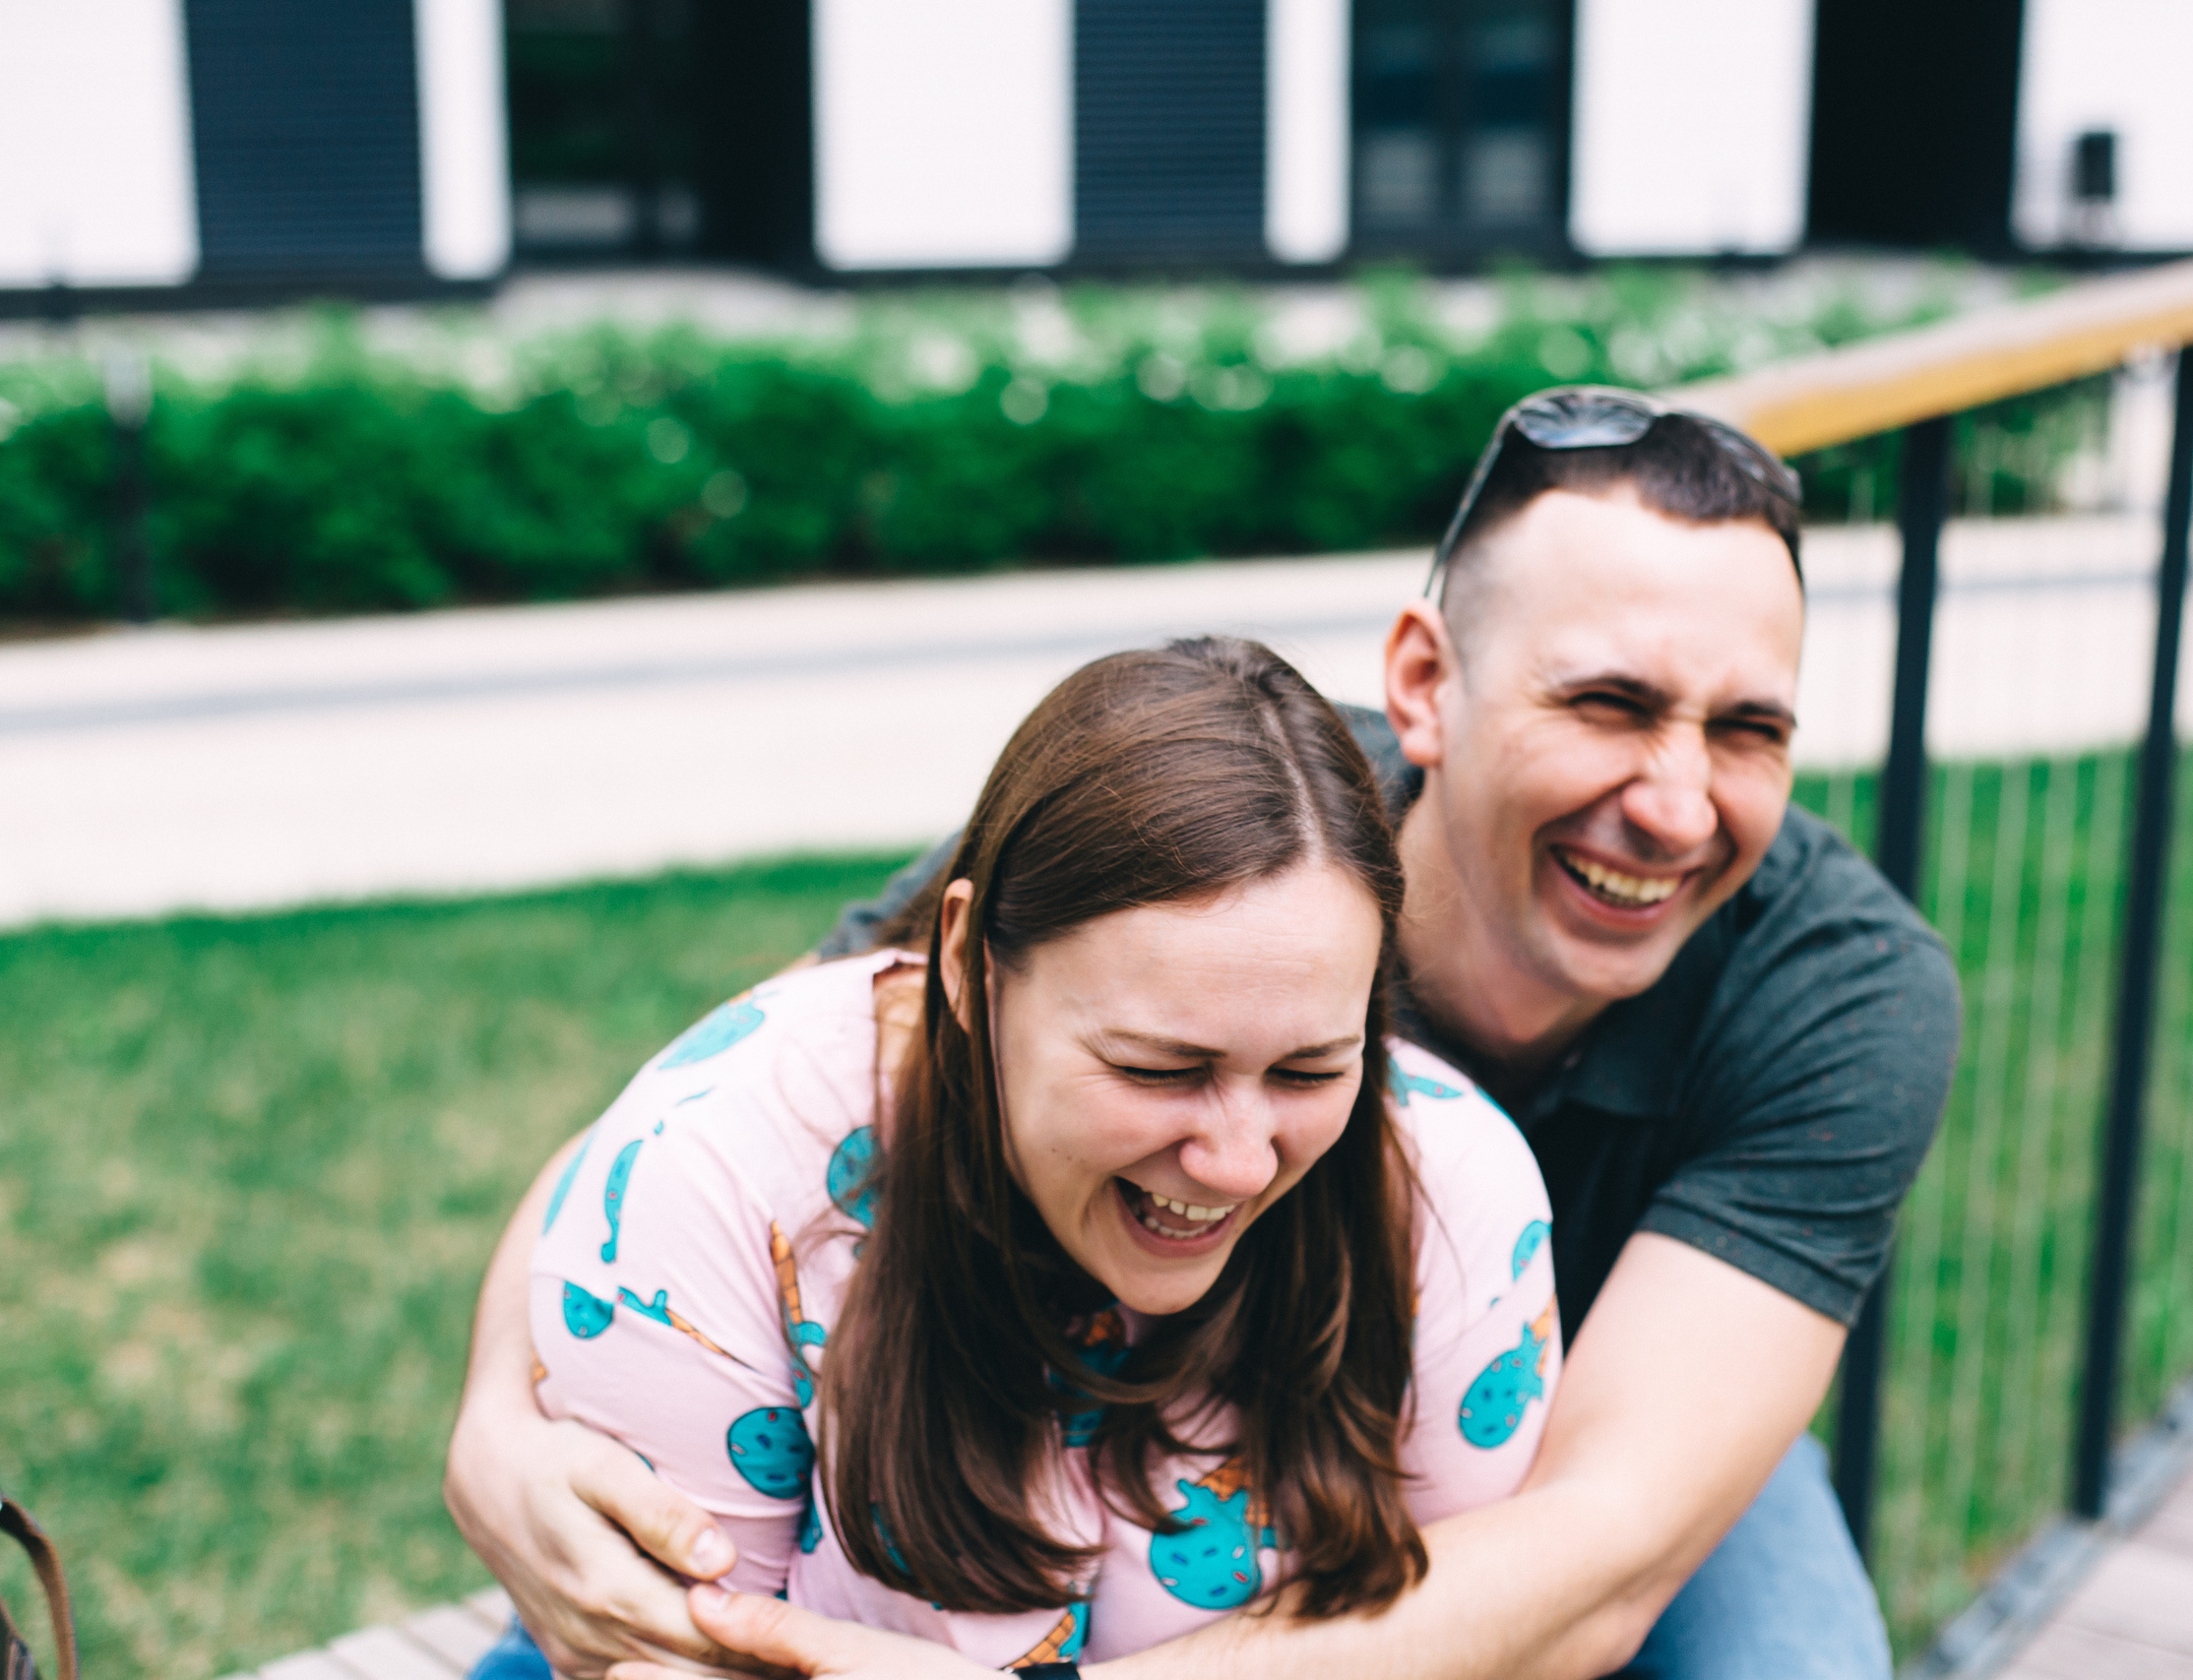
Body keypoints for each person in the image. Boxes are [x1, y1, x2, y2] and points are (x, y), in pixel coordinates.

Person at [447, 388, 1962, 1680]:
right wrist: (494, 1426)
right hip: (1064, 1373)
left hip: (1625, 1402)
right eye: (1610, 703)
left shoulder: (1838, 990)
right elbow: (707, 1116)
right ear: (1426, 684)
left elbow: (1599, 1559)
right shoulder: (1225, 843)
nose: (1681, 803)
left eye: (1749, 727)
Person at [500, 638, 1557, 1673]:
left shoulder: (1451, 1190)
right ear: (968, 965)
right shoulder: (707, 1175)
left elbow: (1473, 1643)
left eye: (1308, 1071)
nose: (1239, 1164)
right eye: (1159, 1070)